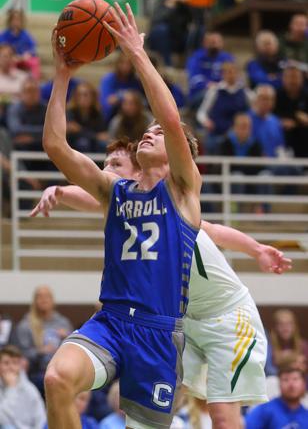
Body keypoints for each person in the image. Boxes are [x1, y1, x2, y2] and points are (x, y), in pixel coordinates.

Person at [32, 143, 291, 429]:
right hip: (183, 322)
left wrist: (257, 250)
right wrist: (59, 191)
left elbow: (215, 230)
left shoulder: (174, 210)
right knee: (162, 406)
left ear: (139, 173)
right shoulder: (129, 208)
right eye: (105, 166)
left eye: (116, 166)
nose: (106, 171)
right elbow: (93, 196)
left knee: (222, 416)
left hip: (227, 317)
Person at [42, 2, 202, 429]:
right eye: (144, 132)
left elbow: (169, 118)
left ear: (177, 152)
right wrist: (63, 75)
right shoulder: (116, 192)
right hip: (111, 322)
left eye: (157, 134)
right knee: (57, 379)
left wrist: (136, 51)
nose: (149, 133)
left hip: (157, 333)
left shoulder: (183, 190)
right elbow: (56, 146)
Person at [13, 285, 73, 394]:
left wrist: (67, 337)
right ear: (34, 301)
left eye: (47, 296)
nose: (44, 300)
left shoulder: (63, 322)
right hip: (37, 371)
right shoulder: (25, 325)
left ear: (53, 300)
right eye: (39, 297)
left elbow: (74, 348)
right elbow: (21, 354)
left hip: (61, 369)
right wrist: (41, 351)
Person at [196, 61, 250, 153]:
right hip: (217, 133)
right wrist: (206, 122)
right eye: (228, 72)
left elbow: (251, 111)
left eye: (233, 72)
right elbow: (201, 112)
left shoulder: (244, 92)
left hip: (238, 137)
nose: (231, 75)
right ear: (223, 74)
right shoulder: (215, 91)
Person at [147, 0, 193, 66]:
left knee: (197, 32)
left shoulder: (184, 5)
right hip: (160, 38)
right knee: (161, 29)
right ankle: (167, 65)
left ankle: (190, 65)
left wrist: (187, 3)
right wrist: (170, 7)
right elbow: (155, 21)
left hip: (178, 38)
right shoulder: (161, 2)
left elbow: (192, 20)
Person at [0, 344, 46, 429]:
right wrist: (11, 389)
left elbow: (41, 420)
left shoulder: (30, 390)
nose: (11, 367)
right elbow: (2, 419)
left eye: (15, 363)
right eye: (6, 363)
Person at [186, 32, 234, 109]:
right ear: (205, 43)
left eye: (218, 42)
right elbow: (194, 80)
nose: (215, 45)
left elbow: (233, 76)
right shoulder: (196, 58)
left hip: (222, 91)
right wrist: (210, 85)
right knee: (213, 95)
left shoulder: (227, 58)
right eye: (212, 42)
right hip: (200, 93)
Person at [274, 64, 308, 157]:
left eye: (295, 77)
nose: (292, 81)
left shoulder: (306, 95)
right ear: (283, 79)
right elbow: (268, 116)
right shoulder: (276, 95)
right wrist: (279, 121)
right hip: (281, 140)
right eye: (289, 77)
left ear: (302, 79)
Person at [98, 51, 143, 122]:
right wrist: (124, 97)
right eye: (122, 63)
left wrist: (118, 98)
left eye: (129, 63)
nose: (125, 66)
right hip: (111, 116)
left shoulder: (136, 81)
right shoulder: (108, 79)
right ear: (117, 64)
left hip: (133, 117)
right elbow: (106, 102)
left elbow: (139, 102)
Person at [66, 81, 109, 153]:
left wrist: (81, 130)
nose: (82, 98)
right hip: (72, 145)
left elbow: (103, 135)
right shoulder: (69, 112)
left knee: (103, 145)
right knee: (83, 143)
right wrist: (95, 136)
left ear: (93, 97)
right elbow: (74, 132)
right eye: (79, 95)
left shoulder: (97, 113)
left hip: (93, 145)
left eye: (85, 95)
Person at [6, 77, 47, 151]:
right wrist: (43, 131)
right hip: (21, 148)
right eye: (29, 91)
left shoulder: (46, 108)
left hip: (43, 145)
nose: (32, 94)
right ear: (21, 94)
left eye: (35, 91)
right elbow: (15, 129)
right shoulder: (15, 108)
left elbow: (52, 131)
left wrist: (33, 138)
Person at [0, 9, 41, 79]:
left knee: (35, 62)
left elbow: (33, 48)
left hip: (23, 58)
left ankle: (34, 81)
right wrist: (12, 57)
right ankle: (9, 79)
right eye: (14, 20)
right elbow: (2, 48)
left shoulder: (26, 34)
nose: (16, 22)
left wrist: (27, 55)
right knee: (8, 61)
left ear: (22, 22)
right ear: (10, 21)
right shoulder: (4, 35)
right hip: (11, 58)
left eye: (18, 20)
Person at [266, 309, 308, 375]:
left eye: (289, 324)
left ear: (295, 326)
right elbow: (268, 370)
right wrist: (293, 363)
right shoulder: (269, 346)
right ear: (275, 327)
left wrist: (282, 361)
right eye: (281, 324)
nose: (285, 328)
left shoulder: (303, 345)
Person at [249, 84, 286, 157]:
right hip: (253, 163)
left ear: (273, 102)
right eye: (263, 98)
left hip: (273, 163)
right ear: (255, 100)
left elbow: (280, 146)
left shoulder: (275, 121)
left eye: (269, 99)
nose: (266, 102)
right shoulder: (246, 119)